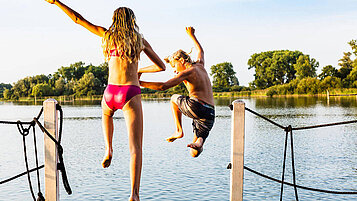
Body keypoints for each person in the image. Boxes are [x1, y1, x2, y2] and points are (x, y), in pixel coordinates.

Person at [44, 1, 166, 200]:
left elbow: (78, 19)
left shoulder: (107, 36)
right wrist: (139, 70)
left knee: (107, 114)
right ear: (132, 21)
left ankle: (108, 148)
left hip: (110, 92)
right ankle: (134, 194)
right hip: (130, 92)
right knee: (135, 148)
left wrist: (57, 2)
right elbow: (161, 66)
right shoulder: (139, 40)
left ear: (115, 21)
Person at [140, 27, 215, 158]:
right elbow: (200, 51)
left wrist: (139, 83)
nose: (175, 70)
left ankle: (178, 130)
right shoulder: (200, 65)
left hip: (197, 107)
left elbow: (163, 86)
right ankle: (199, 144)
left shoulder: (188, 72)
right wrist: (192, 35)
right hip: (210, 114)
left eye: (175, 66)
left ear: (182, 61)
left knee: (174, 98)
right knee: (194, 152)